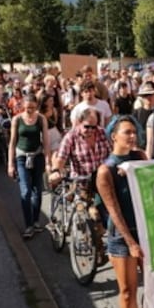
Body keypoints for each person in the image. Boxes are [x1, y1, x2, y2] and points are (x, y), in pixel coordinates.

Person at [95, 117, 154, 308]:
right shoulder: (105, 171)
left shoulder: (139, 157)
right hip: (121, 236)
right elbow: (114, 212)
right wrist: (131, 242)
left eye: (134, 132)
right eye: (127, 132)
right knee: (127, 290)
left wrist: (135, 172)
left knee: (153, 284)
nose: (133, 136)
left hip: (145, 230)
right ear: (114, 136)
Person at [50, 108, 111, 265]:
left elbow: (112, 154)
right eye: (87, 126)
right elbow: (61, 157)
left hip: (101, 181)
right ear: (78, 123)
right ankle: (97, 250)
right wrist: (56, 171)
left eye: (93, 127)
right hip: (81, 182)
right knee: (93, 215)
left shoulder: (103, 133)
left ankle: (96, 238)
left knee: (106, 217)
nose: (90, 130)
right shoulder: (71, 137)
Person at [8, 94, 51, 239]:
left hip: (37, 156)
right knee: (25, 191)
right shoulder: (17, 119)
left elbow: (45, 140)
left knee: (37, 191)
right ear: (22, 107)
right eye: (27, 108)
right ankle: (28, 225)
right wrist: (10, 164)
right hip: (21, 157)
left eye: (33, 108)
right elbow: (12, 142)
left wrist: (48, 160)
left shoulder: (41, 119)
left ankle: (36, 221)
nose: (30, 111)